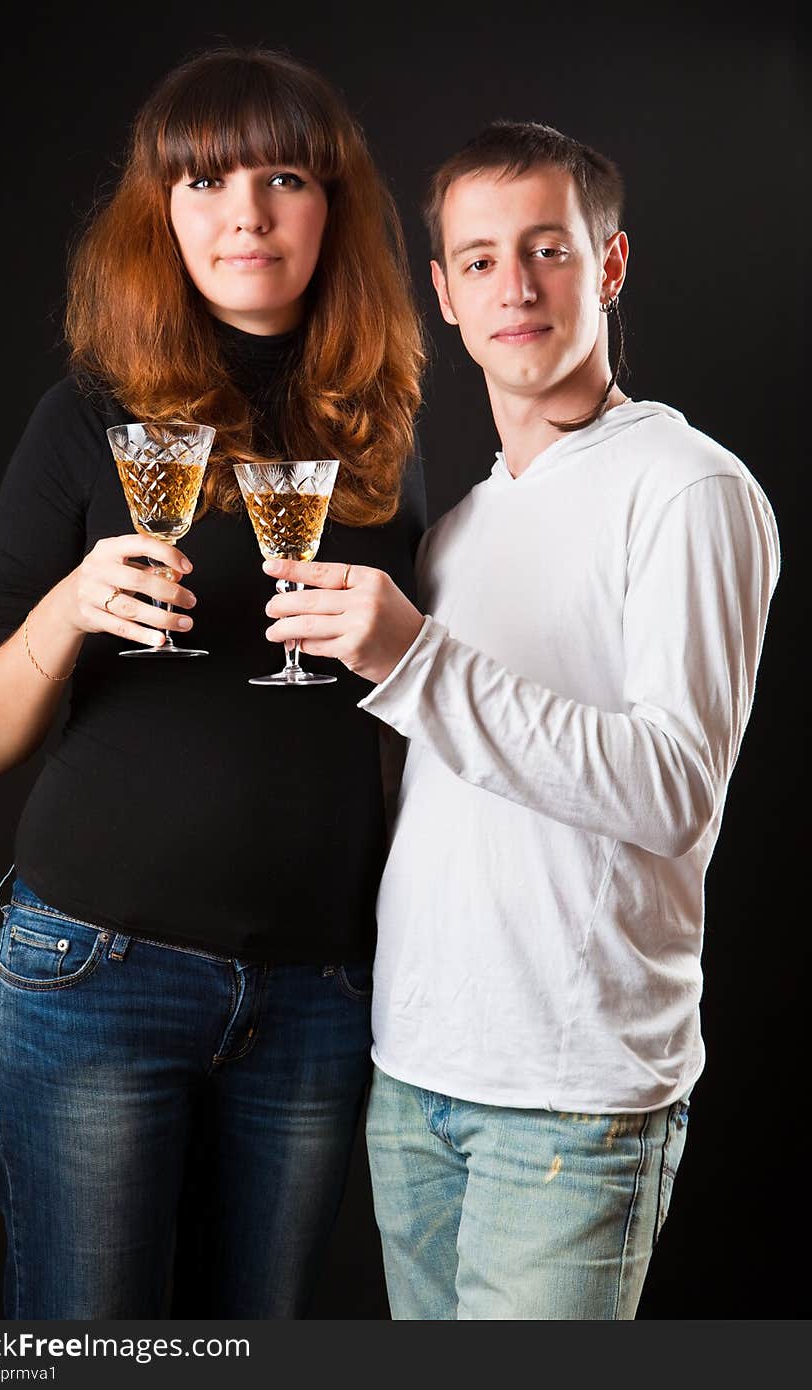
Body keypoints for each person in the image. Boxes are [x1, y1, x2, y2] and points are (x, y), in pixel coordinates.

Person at [260, 120, 780, 1319]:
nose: (516, 287)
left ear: (607, 264)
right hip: (415, 1074)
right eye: (481, 260)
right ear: (442, 293)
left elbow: (671, 789)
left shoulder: (687, 488)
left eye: (546, 249)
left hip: (572, 1097)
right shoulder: (455, 533)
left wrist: (414, 657)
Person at [0, 46, 425, 1319]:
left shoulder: (383, 432)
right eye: (204, 181)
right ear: (159, 210)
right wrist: (65, 613)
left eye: (283, 178)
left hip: (319, 993)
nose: (245, 215)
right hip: (98, 972)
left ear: (333, 208)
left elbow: (397, 733)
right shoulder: (84, 417)